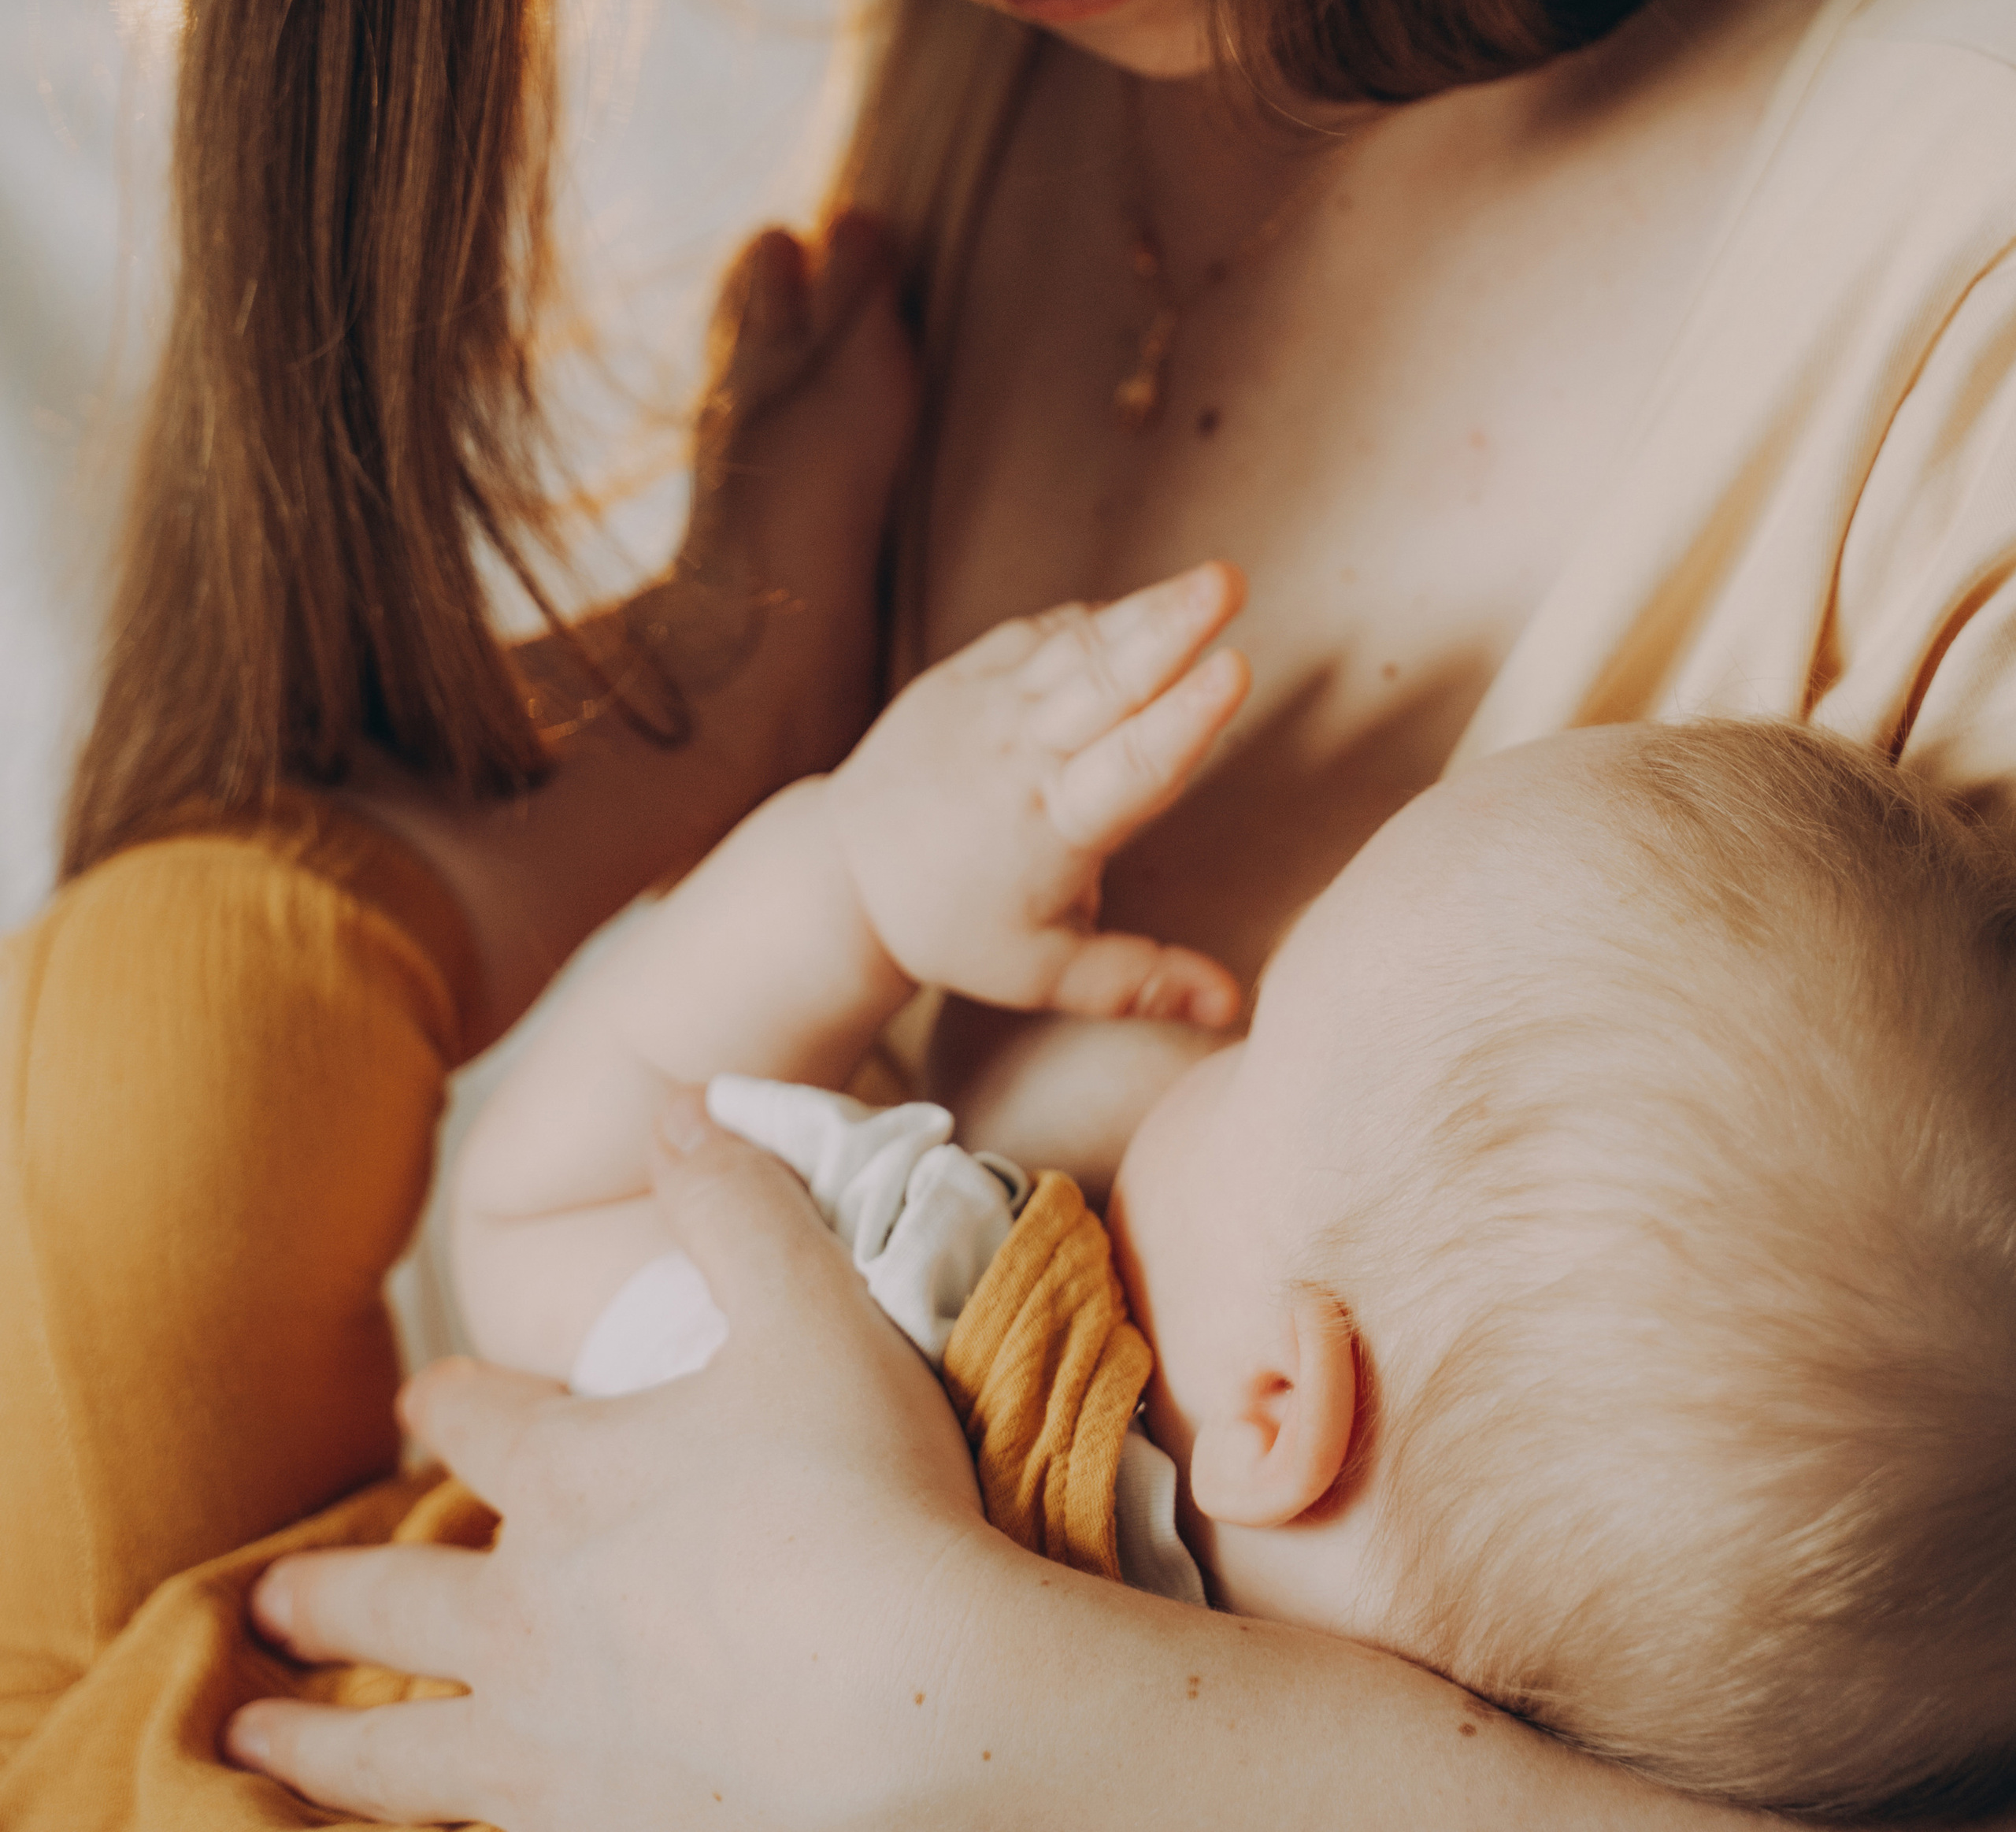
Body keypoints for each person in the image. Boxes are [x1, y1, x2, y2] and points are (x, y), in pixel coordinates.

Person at [6, 0, 2016, 1819]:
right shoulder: (1056, 12)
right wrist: (728, 737)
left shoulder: (1954, 227)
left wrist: (991, 1731)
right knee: (175, 1004)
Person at [454, 573, 2016, 1822]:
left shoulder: (953, 1365)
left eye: (1262, 1040)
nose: (1203, 1028)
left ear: (1277, 1402)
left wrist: (851, 882)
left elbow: (534, 1210)